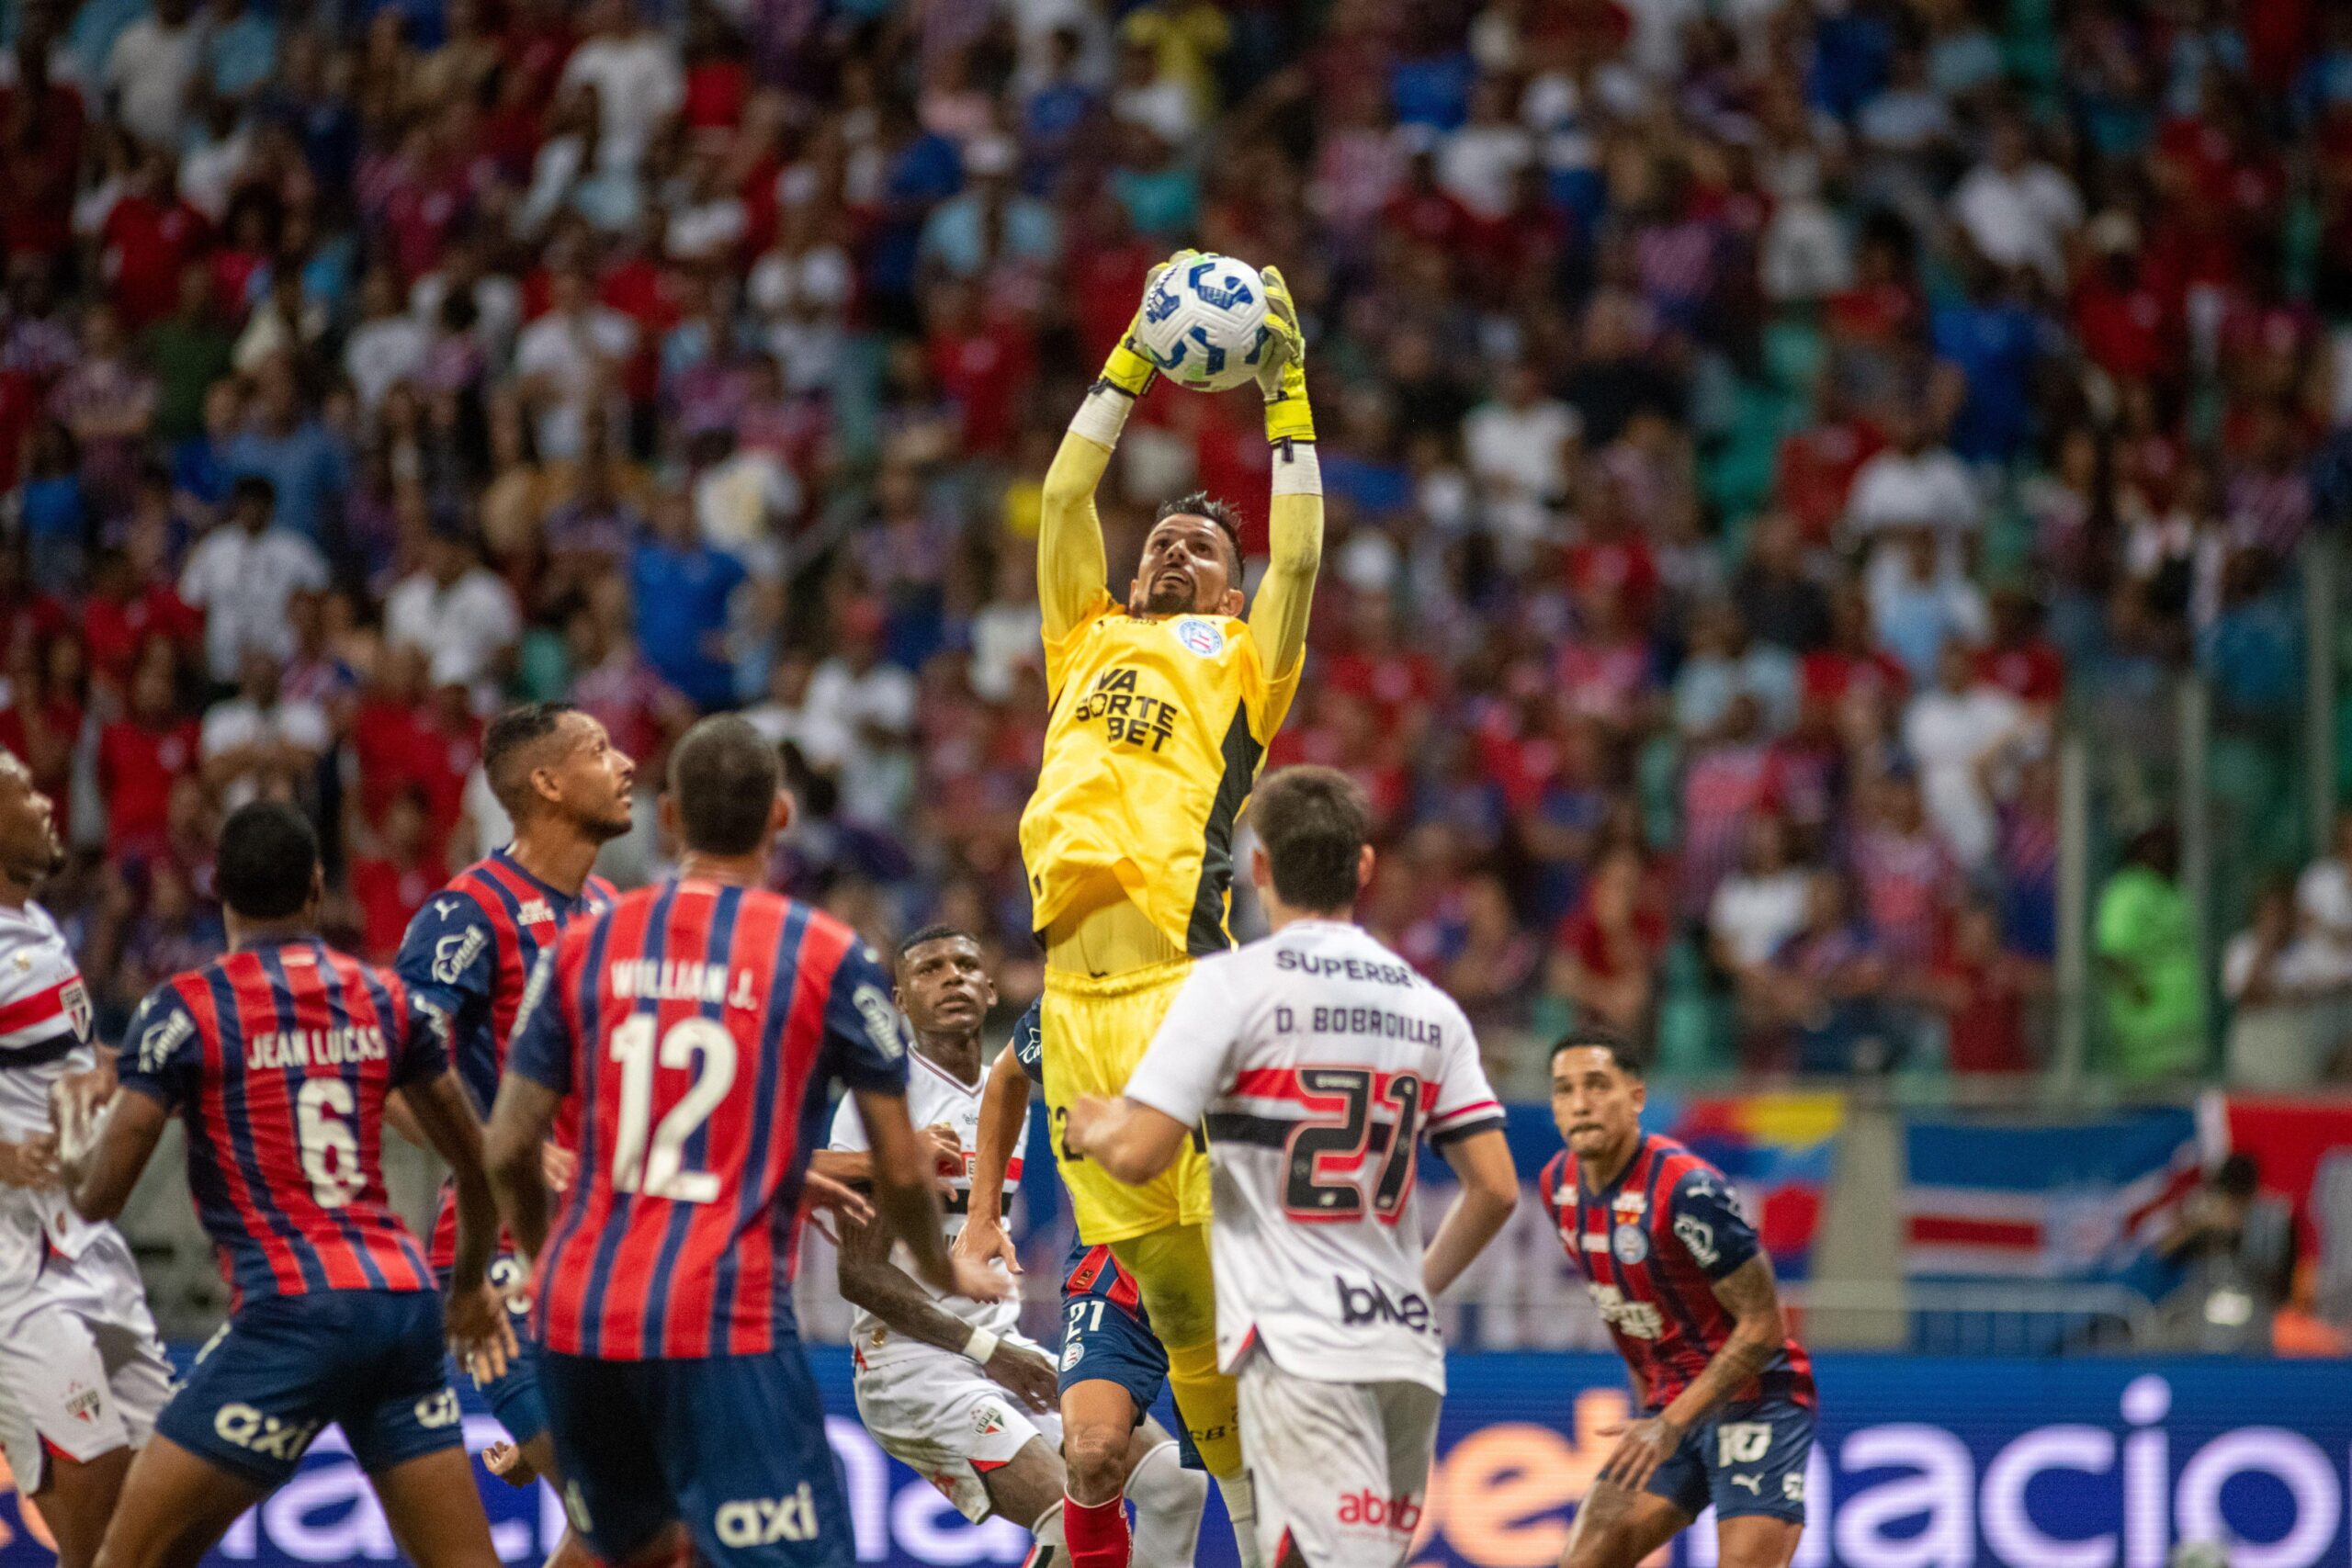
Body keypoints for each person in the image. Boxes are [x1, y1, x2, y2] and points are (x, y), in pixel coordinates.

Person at [483, 716, 1004, 1568]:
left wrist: (547, 1270)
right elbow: (903, 1161)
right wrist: (947, 1268)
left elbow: (506, 1148)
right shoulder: (822, 954)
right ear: (782, 819)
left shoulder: (584, 941)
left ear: (670, 819)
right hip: (721, 1320)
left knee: (625, 1557)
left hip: (580, 1318)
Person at [1014, 247, 1318, 1567]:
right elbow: (1067, 491)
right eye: (1162, 538)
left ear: (1227, 589)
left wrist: (1287, 393)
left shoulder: (1246, 658)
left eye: (1199, 544)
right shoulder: (1081, 636)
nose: (1169, 545)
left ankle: (1268, 1521)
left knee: (1223, 1294)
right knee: (1179, 1307)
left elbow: (1300, 560)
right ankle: (1250, 1522)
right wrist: (1132, 354)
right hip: (1074, 1003)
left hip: (1183, 988)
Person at [1063, 767, 1519, 1568]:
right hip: (1403, 1352)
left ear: (1260, 867)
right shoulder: (1428, 1006)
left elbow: (1140, 1156)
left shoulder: (1232, 986)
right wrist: (1415, 1284)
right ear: (1366, 867)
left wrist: (1095, 1125)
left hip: (1296, 1342)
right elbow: (1496, 1189)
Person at [58, 801, 511, 1568]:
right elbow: (480, 1159)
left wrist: (73, 1136)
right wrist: (466, 1288)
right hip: (400, 1310)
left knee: (122, 1559)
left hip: (291, 1317)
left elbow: (99, 1199)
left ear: (218, 893)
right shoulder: (382, 996)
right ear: (316, 887)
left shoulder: (186, 1010)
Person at [828, 928, 1203, 1562]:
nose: (952, 977)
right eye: (930, 969)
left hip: (1001, 1351)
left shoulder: (1013, 1099)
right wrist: (987, 1348)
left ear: (993, 988)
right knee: (1068, 1515)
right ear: (898, 999)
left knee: (1178, 1484)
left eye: (968, 964)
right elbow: (859, 1276)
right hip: (911, 1367)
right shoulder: (883, 1102)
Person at [390, 701, 633, 1534]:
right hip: (504, 1266)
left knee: (608, 1519)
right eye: (600, 749)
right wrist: (503, 1151)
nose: (627, 762)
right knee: (629, 1514)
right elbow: (393, 1080)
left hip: (608, 1262)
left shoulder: (610, 909)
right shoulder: (468, 912)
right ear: (547, 782)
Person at [1538, 1031, 1816, 1568]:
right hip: (1669, 1408)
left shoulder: (1688, 1192)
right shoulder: (1558, 1187)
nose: (1579, 1103)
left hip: (1757, 1400)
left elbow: (1764, 1325)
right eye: (1564, 1089)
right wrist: (1654, 1413)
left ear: (1636, 1097)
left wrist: (1671, 1422)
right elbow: (1625, 1311)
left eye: (1597, 1085)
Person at [958, 999, 1208, 1568]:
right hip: (1116, 1271)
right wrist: (984, 1214)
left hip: (1226, 1269)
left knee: (1245, 1482)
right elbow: (1007, 1074)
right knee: (1092, 1453)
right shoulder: (1072, 997)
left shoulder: (1217, 985)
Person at [0, 751, 172, 1568]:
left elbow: (60, 1062)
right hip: (17, 1272)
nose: (45, 801)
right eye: (24, 793)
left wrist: (110, 1069)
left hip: (89, 1238)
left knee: (168, 1499)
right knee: (98, 1514)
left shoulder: (36, 924)